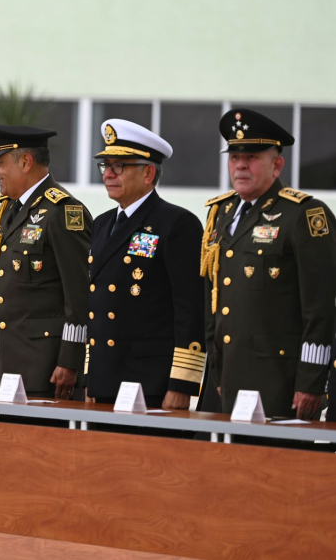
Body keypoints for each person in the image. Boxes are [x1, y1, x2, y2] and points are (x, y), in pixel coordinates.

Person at [201, 109, 336, 419]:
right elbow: (214, 299)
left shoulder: (303, 214)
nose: (241, 165)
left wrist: (312, 381)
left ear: (277, 165)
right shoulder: (220, 214)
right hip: (229, 376)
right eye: (234, 157)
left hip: (281, 380)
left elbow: (320, 308)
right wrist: (218, 367)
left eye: (251, 157)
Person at [84, 119, 205, 409]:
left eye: (119, 166)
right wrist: (90, 376)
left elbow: (190, 310)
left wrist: (182, 383)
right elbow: (96, 305)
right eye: (106, 166)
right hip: (105, 378)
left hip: (151, 382)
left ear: (148, 172)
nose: (109, 174)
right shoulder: (101, 224)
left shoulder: (176, 223)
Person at [0, 122, 92, 399]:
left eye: (1, 162)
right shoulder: (11, 209)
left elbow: (79, 296)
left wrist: (70, 361)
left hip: (48, 368)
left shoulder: (63, 212)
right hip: (10, 364)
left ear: (26, 162)